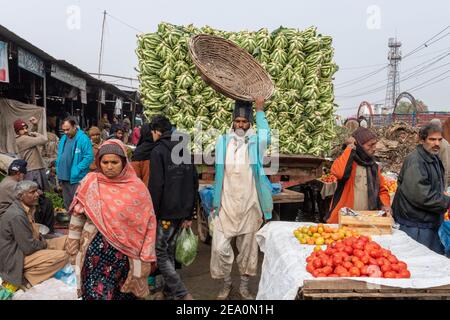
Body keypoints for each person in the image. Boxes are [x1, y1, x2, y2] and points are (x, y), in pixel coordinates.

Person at [66, 139, 157, 300]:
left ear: (124, 162)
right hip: (95, 255)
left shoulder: (137, 188)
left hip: (125, 257)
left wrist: (147, 257)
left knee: (123, 294)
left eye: (114, 162)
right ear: (99, 162)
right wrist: (72, 248)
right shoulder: (90, 182)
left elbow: (149, 224)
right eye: (105, 162)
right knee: (96, 294)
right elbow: (77, 216)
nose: (109, 166)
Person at [211, 97, 273, 300]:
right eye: (237, 121)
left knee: (248, 250)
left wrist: (260, 111)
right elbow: (219, 174)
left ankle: (244, 286)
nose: (240, 125)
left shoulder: (255, 142)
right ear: (232, 122)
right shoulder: (222, 141)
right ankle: (226, 283)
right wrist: (214, 203)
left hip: (249, 204)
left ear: (249, 123)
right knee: (220, 249)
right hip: (226, 203)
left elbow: (267, 137)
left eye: (244, 122)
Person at [148, 115, 197, 300]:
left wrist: (153, 212)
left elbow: (156, 185)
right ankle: (170, 292)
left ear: (156, 131)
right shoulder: (183, 149)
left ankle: (181, 292)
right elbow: (193, 181)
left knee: (160, 250)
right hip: (182, 210)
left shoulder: (158, 150)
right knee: (169, 249)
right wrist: (190, 213)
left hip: (166, 212)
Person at [392, 123, 450, 254]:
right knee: (417, 260)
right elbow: (421, 195)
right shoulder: (416, 161)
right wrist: (446, 201)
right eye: (432, 139)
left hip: (427, 222)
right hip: (416, 224)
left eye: (439, 139)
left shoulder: (433, 157)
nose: (437, 143)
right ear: (422, 140)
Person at [0, 181, 68, 289]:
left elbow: (32, 237)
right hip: (17, 255)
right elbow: (29, 248)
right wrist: (45, 245)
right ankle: (27, 278)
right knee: (63, 256)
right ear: (21, 196)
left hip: (33, 244)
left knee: (68, 240)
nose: (37, 194)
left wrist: (44, 241)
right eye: (32, 192)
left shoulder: (27, 208)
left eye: (36, 191)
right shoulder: (17, 215)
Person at [326, 128, 391, 223]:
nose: (374, 148)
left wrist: (385, 205)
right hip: (344, 218)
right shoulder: (347, 162)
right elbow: (340, 173)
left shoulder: (373, 167)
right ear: (359, 146)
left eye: (375, 144)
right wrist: (350, 147)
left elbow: (382, 190)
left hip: (367, 220)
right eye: (370, 145)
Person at [0, 160, 55, 232]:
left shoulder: (7, 180)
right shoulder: (12, 184)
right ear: (18, 173)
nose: (25, 176)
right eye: (24, 174)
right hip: (5, 214)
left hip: (10, 211)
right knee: (41, 204)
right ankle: (41, 231)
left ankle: (42, 230)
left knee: (41, 202)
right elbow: (27, 198)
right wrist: (37, 192)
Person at [56, 118, 94, 211]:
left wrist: (78, 169)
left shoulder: (83, 139)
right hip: (64, 176)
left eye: (67, 129)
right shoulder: (64, 138)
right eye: (63, 130)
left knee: (77, 203)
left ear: (74, 127)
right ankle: (70, 222)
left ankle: (76, 223)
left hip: (76, 177)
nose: (65, 132)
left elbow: (89, 157)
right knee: (67, 202)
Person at [14, 117, 49, 191]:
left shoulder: (24, 137)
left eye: (26, 128)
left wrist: (35, 125)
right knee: (36, 192)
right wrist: (34, 133)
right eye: (22, 129)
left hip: (35, 167)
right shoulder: (22, 139)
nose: (25, 130)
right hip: (33, 170)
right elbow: (44, 139)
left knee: (40, 192)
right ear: (17, 132)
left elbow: (31, 136)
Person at [430, 119, 450, 189]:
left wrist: (444, 187)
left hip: (440, 182)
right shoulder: (429, 142)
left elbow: (446, 167)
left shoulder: (444, 145)